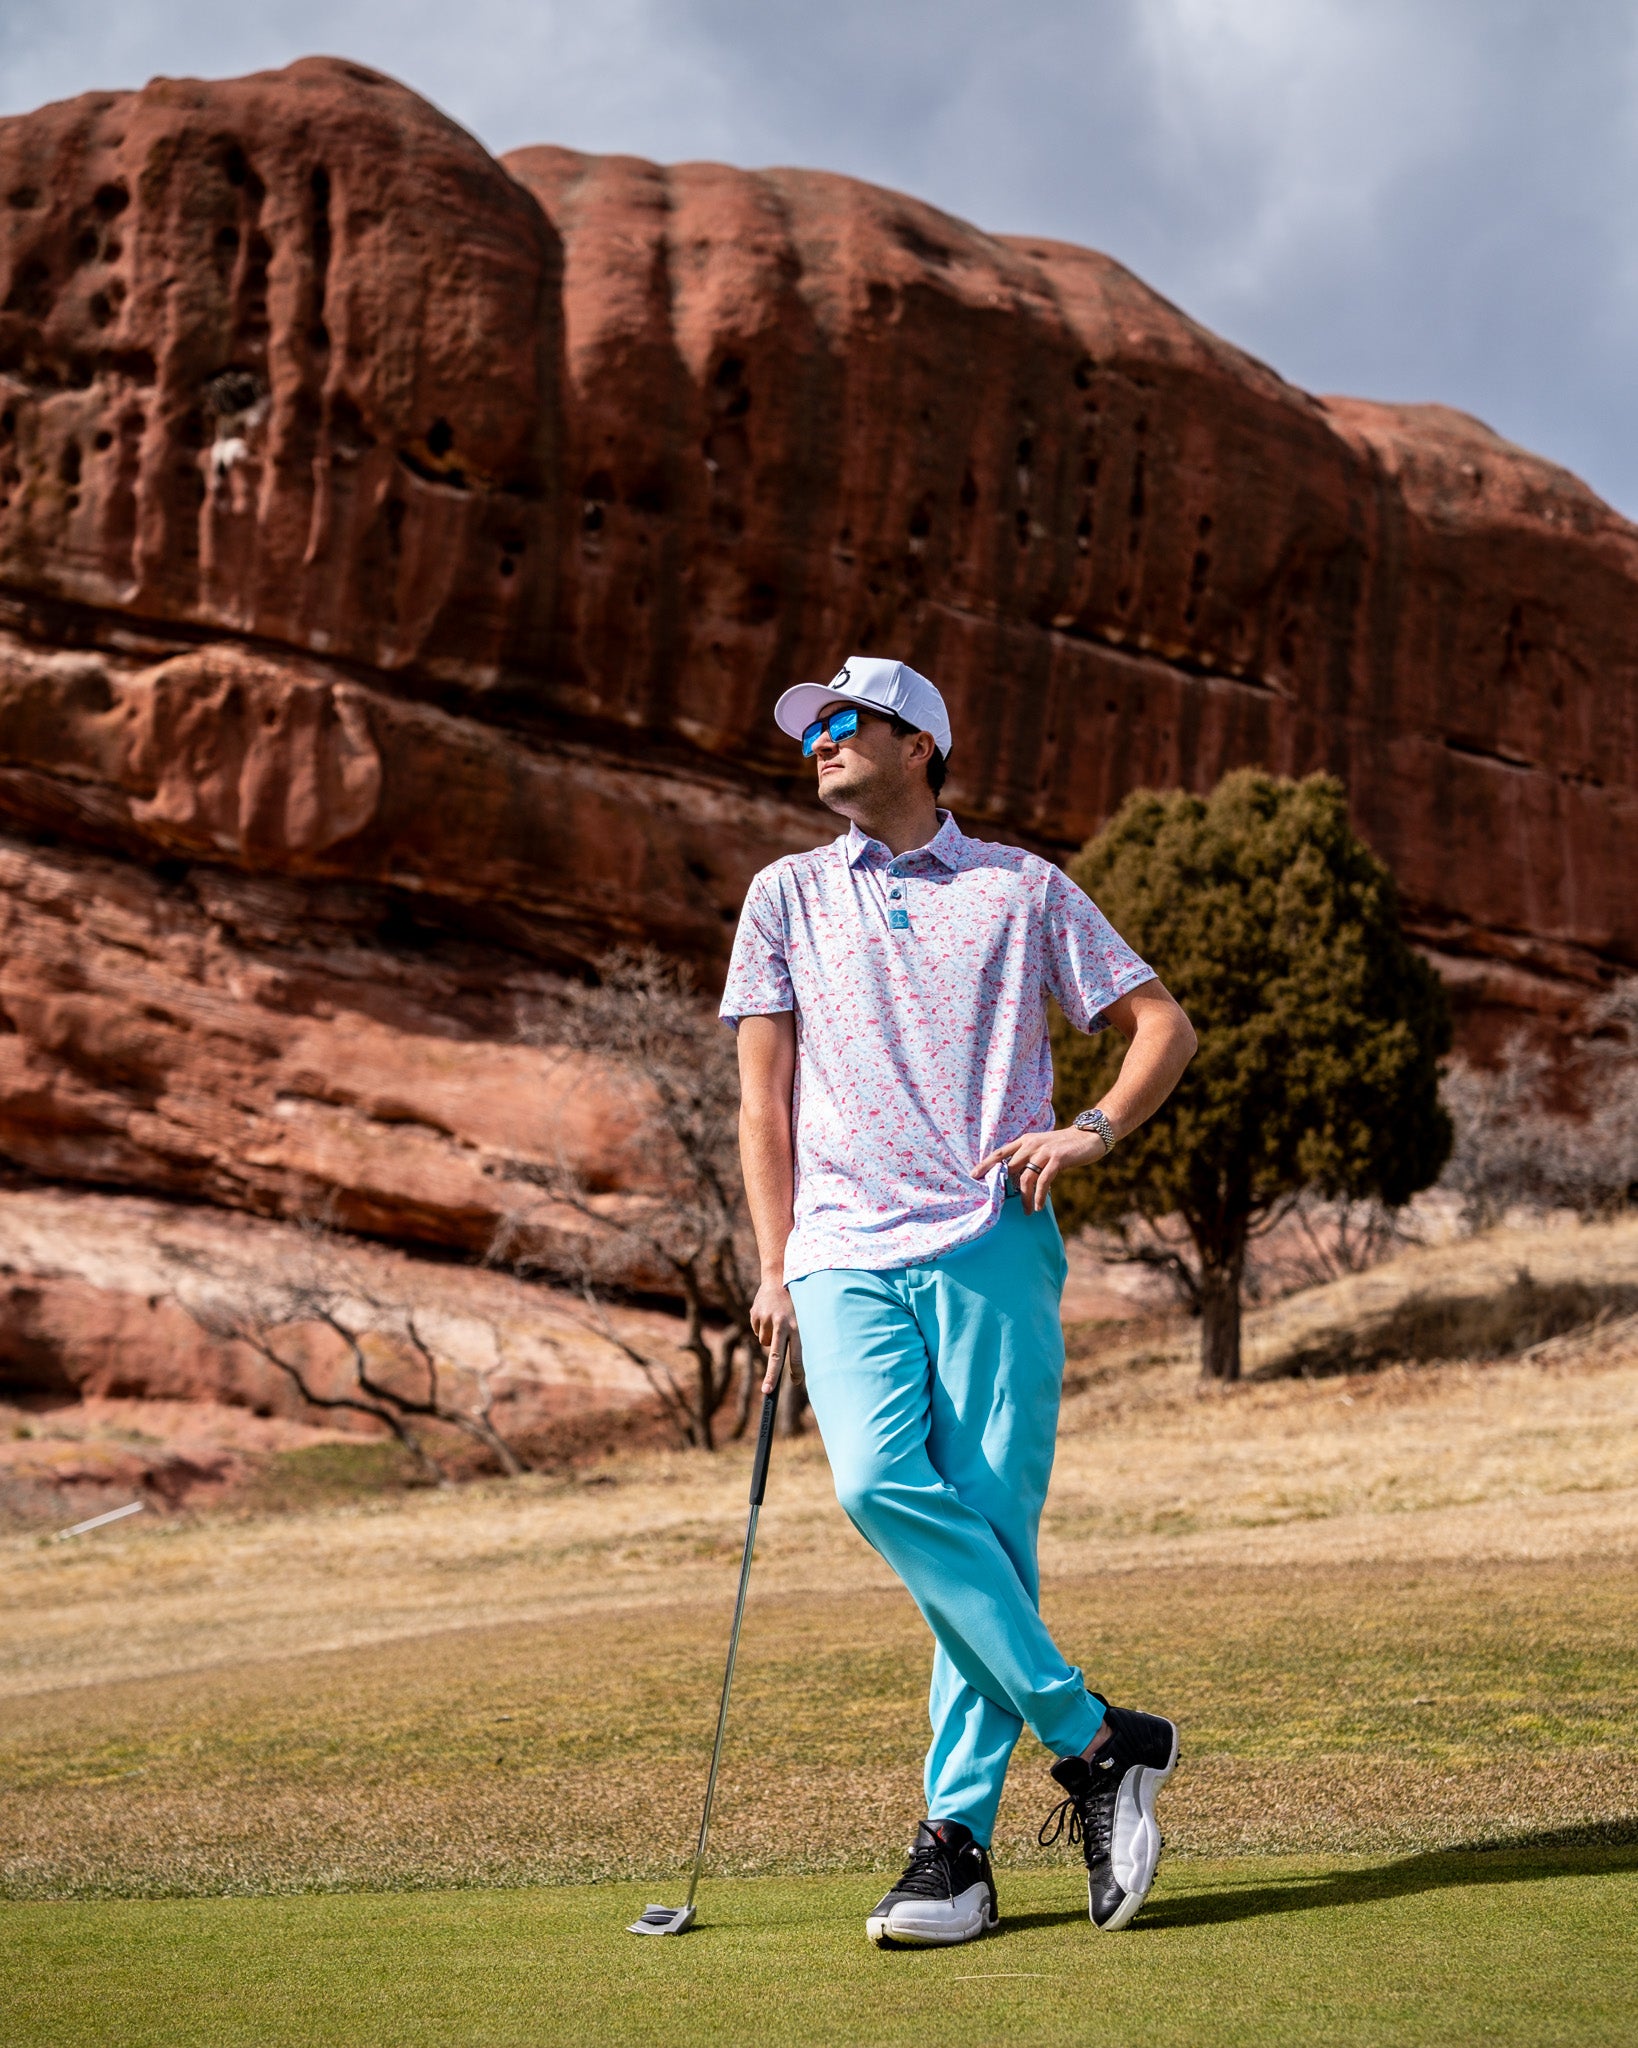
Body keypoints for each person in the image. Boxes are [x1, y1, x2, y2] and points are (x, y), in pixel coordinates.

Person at [722, 655, 1198, 1948]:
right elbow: (761, 1100)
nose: (818, 739)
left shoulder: (1021, 888)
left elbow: (1161, 1025)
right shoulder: (783, 896)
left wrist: (1091, 1129)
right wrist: (771, 1266)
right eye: (811, 726)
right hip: (838, 1249)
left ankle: (954, 1853)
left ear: (919, 744)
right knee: (877, 1485)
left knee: (987, 1537)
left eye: (845, 722)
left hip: (992, 1239)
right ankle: (1095, 1740)